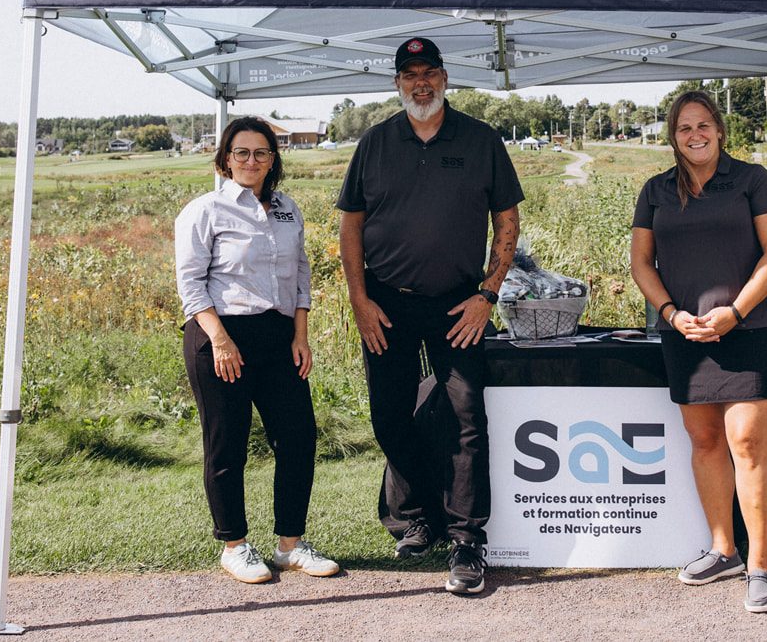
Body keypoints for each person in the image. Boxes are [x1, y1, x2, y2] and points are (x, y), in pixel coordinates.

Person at [337, 36, 523, 596]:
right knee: (390, 417)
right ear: (397, 83)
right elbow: (350, 226)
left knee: (466, 418)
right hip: (386, 303)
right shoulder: (374, 143)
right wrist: (359, 299)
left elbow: (507, 221)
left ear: (445, 78)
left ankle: (466, 540)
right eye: (410, 75)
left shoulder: (481, 139)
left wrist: (488, 294)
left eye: (430, 73)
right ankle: (416, 517)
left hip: (458, 304)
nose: (421, 84)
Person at [629, 89, 767, 615]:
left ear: (719, 130)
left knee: (746, 441)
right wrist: (671, 313)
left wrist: (735, 313)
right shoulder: (655, 191)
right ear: (673, 137)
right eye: (684, 128)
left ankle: (760, 565)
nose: (695, 135)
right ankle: (724, 550)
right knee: (704, 440)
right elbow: (641, 263)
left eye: (703, 125)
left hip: (749, 329)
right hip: (685, 335)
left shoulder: (753, 180)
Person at [174, 115, 339, 585]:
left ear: (273, 159)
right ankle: (235, 546)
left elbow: (300, 274)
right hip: (220, 336)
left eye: (261, 152)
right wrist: (220, 339)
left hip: (279, 335)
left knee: (298, 437)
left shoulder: (288, 209)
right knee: (227, 443)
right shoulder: (205, 210)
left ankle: (290, 546)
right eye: (242, 152)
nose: (251, 160)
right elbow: (191, 284)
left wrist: (301, 335)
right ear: (226, 159)